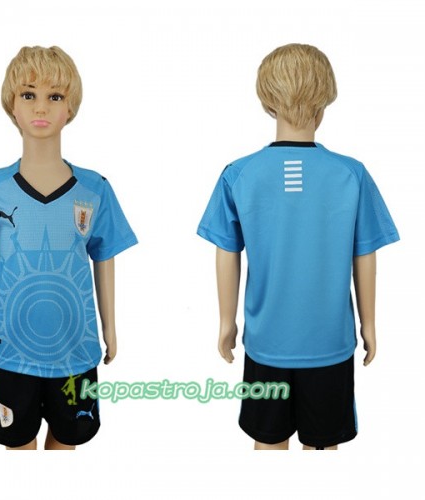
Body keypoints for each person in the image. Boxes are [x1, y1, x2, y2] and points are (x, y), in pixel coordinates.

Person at [197, 43, 399, 450]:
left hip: (267, 343)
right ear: (324, 104)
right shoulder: (350, 174)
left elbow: (226, 253)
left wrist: (226, 322)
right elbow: (365, 254)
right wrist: (369, 324)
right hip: (329, 343)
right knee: (322, 446)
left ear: (267, 102)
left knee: (268, 444)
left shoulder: (240, 174)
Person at [0, 46, 137, 450]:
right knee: (17, 444)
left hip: (76, 350)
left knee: (67, 441)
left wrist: (110, 328)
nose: (41, 107)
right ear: (11, 105)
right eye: (29, 94)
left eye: (55, 96)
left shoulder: (95, 189)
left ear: (70, 107)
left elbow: (104, 259)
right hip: (10, 349)